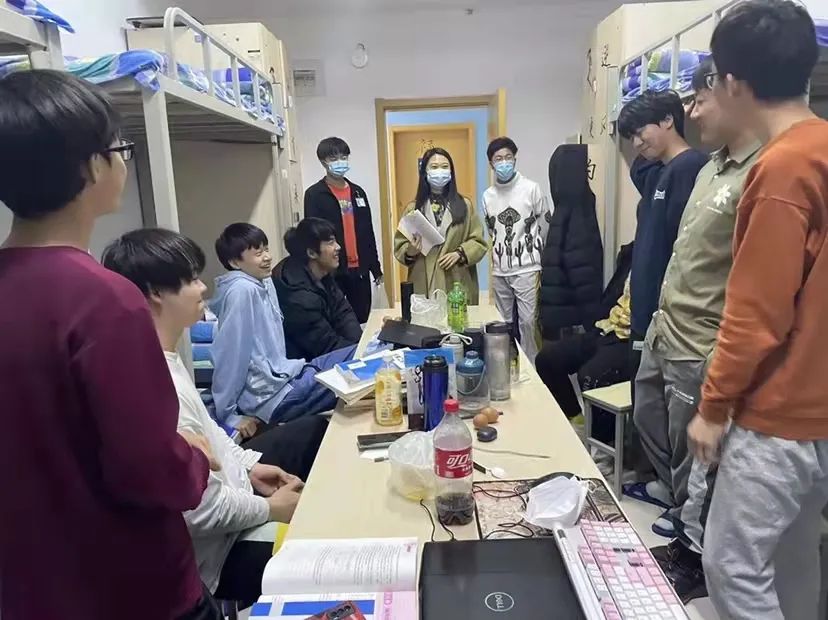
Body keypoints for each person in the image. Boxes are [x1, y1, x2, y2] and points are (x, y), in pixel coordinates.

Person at [0, 70, 221, 620]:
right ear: (91, 166)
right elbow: (148, 470)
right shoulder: (103, 300)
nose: (124, 162)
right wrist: (195, 457)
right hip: (130, 587)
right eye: (120, 149)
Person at [685, 2, 828, 618]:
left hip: (778, 413)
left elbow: (756, 314)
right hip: (818, 411)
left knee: (732, 567)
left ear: (733, 83)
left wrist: (713, 408)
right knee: (793, 560)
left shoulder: (782, 167)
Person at [103, 228, 328, 610]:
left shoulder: (165, 359)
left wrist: (250, 466)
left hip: (236, 506)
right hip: (221, 555)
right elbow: (200, 510)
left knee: (312, 436)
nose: (203, 288)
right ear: (156, 293)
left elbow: (212, 436)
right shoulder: (156, 385)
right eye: (191, 279)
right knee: (326, 549)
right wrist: (271, 509)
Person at [629, 58, 762, 603]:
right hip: (666, 325)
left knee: (698, 456)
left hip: (701, 340)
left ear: (734, 92)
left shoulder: (762, 169)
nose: (693, 111)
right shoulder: (709, 169)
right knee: (648, 414)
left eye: (700, 99)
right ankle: (680, 512)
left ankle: (692, 552)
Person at [210, 223, 356, 439]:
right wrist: (228, 415)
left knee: (364, 352)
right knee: (365, 372)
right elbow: (230, 355)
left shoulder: (264, 281)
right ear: (234, 262)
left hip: (290, 374)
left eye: (266, 249)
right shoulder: (242, 291)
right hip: (271, 397)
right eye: (258, 254)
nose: (267, 257)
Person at [618, 90, 708, 415]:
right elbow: (638, 171)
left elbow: (684, 249)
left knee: (660, 415)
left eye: (641, 131)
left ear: (668, 120)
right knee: (644, 409)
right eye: (631, 137)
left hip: (667, 322)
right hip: (644, 315)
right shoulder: (659, 171)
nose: (637, 143)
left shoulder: (691, 167)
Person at [536, 243, 633, 442]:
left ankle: (603, 442)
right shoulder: (633, 253)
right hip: (607, 327)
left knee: (589, 375)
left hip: (631, 339)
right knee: (547, 359)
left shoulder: (661, 259)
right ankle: (577, 420)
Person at [482, 137, 549, 363]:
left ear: (515, 159)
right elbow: (492, 230)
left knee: (528, 322)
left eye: (508, 157)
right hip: (500, 269)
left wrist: (538, 255)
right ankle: (507, 363)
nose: (504, 162)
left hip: (528, 267)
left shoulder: (531, 189)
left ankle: (533, 366)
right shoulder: (488, 196)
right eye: (498, 159)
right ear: (491, 164)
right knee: (503, 323)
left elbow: (545, 225)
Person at [393, 147, 488, 304]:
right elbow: (399, 246)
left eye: (444, 167)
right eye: (434, 167)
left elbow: (478, 241)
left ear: (451, 172)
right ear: (425, 173)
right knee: (426, 317)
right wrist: (411, 251)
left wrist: (460, 253)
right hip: (424, 282)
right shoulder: (413, 209)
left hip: (456, 279)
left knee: (457, 317)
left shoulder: (465, 206)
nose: (440, 171)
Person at [304, 137, 382, 323]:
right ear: (323, 161)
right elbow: (312, 235)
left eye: (344, 157)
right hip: (332, 270)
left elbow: (367, 232)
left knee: (362, 320)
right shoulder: (315, 194)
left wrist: (376, 268)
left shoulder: (358, 192)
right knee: (336, 320)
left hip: (360, 269)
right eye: (333, 158)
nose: (340, 162)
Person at [272, 217, 362, 360]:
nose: (338, 247)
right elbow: (326, 346)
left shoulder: (322, 273)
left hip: (327, 352)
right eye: (331, 243)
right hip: (307, 364)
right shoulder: (297, 296)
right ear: (312, 253)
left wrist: (361, 345)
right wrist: (360, 354)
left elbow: (343, 313)